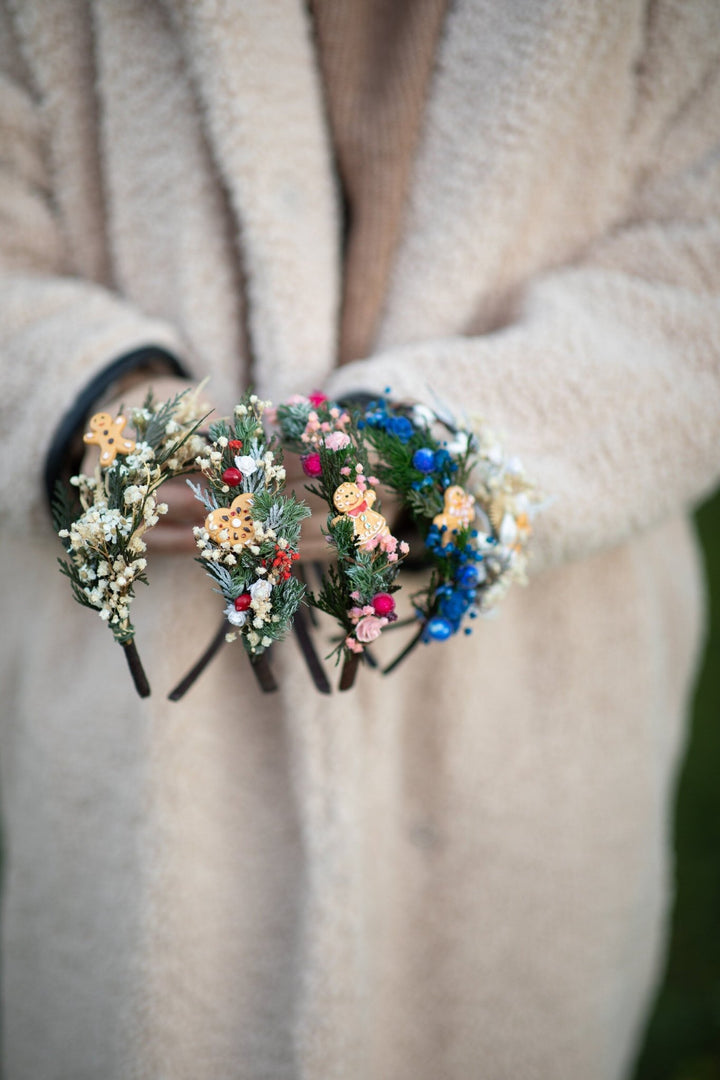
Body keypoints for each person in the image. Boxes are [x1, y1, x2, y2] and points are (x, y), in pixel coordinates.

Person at [1, 2, 718, 1077]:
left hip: (527, 706)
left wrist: (440, 457)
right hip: (141, 716)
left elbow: (695, 273)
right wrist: (100, 405)